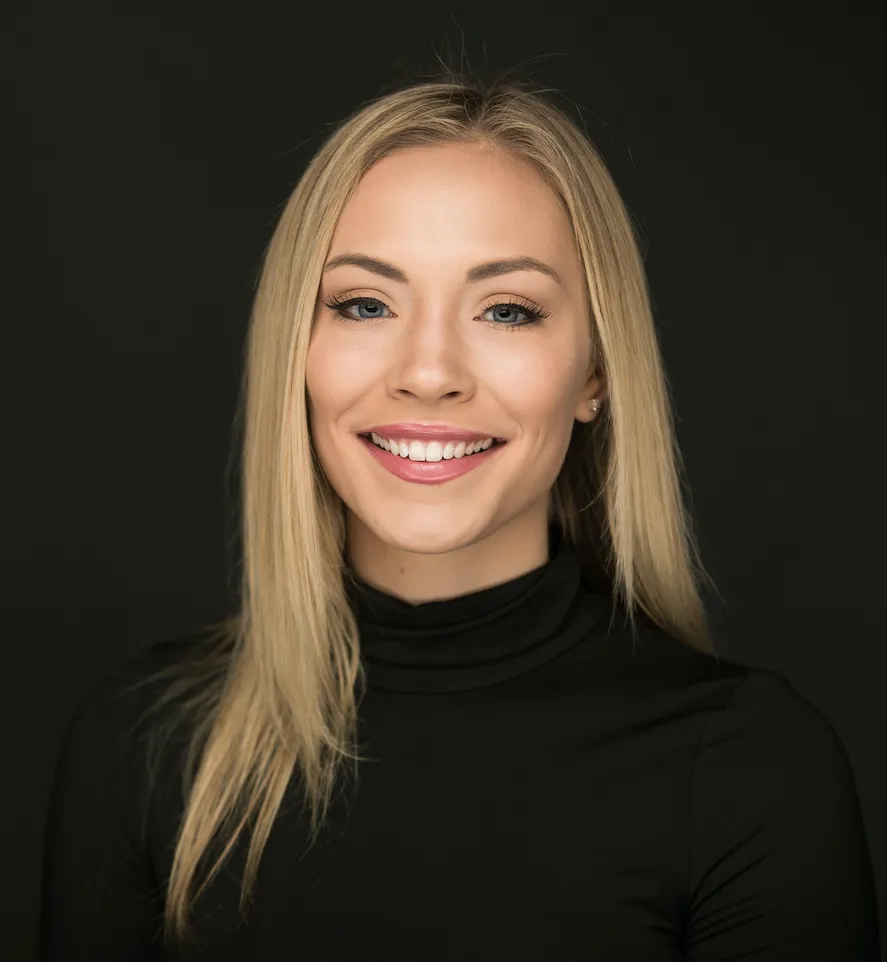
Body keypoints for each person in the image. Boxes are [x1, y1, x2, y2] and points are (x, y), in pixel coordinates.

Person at [38, 70, 880, 961]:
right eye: (365, 304)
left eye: (507, 310)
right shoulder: (146, 745)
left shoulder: (750, 768)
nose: (429, 370)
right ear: (298, 348)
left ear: (594, 372)